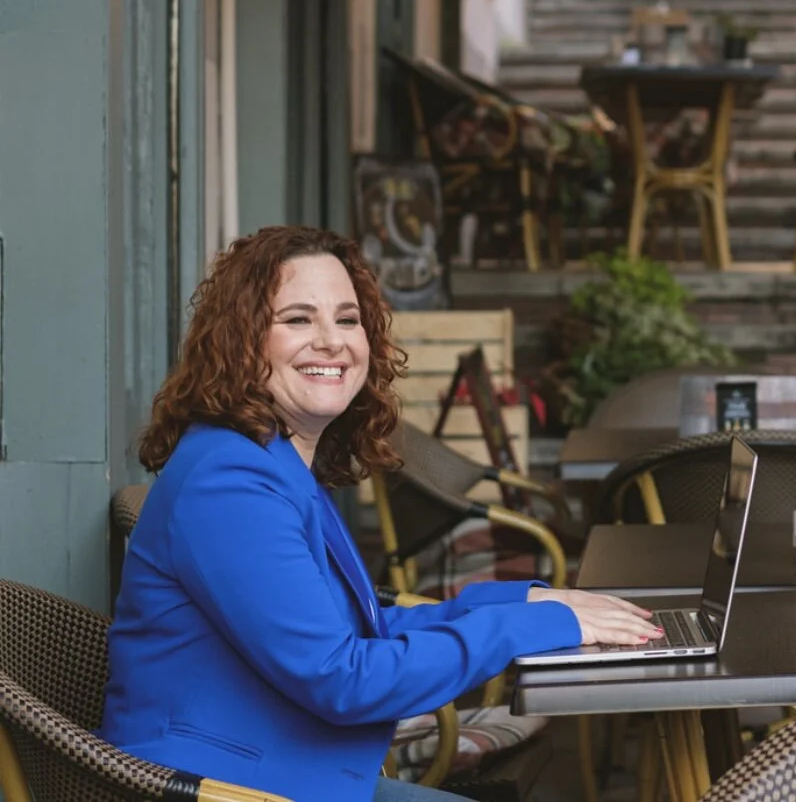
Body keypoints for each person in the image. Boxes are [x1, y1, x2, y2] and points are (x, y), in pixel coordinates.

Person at [101, 225, 658, 802]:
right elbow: (343, 678)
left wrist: (526, 604)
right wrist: (530, 627)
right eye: (297, 319)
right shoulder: (231, 484)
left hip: (282, 771)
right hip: (218, 788)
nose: (331, 341)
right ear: (240, 341)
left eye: (347, 320)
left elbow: (352, 634)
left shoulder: (269, 459)